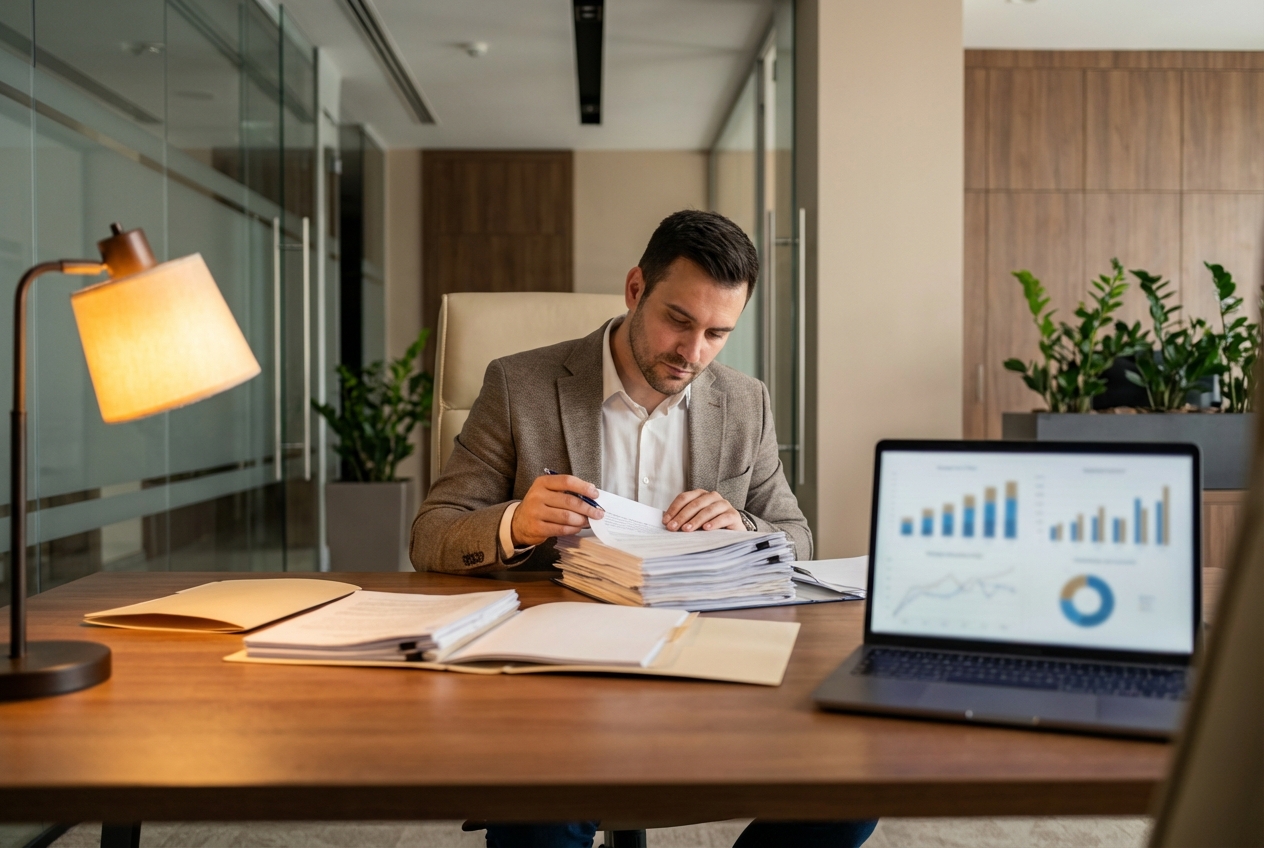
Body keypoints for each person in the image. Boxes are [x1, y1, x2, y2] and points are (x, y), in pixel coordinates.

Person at [412, 210, 876, 848]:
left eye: (718, 333)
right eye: (678, 321)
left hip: (710, 657)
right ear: (636, 290)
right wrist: (515, 523)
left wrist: (740, 524)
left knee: (850, 790)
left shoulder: (745, 402)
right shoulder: (519, 384)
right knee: (544, 812)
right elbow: (432, 534)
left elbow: (796, 537)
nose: (693, 353)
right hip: (567, 671)